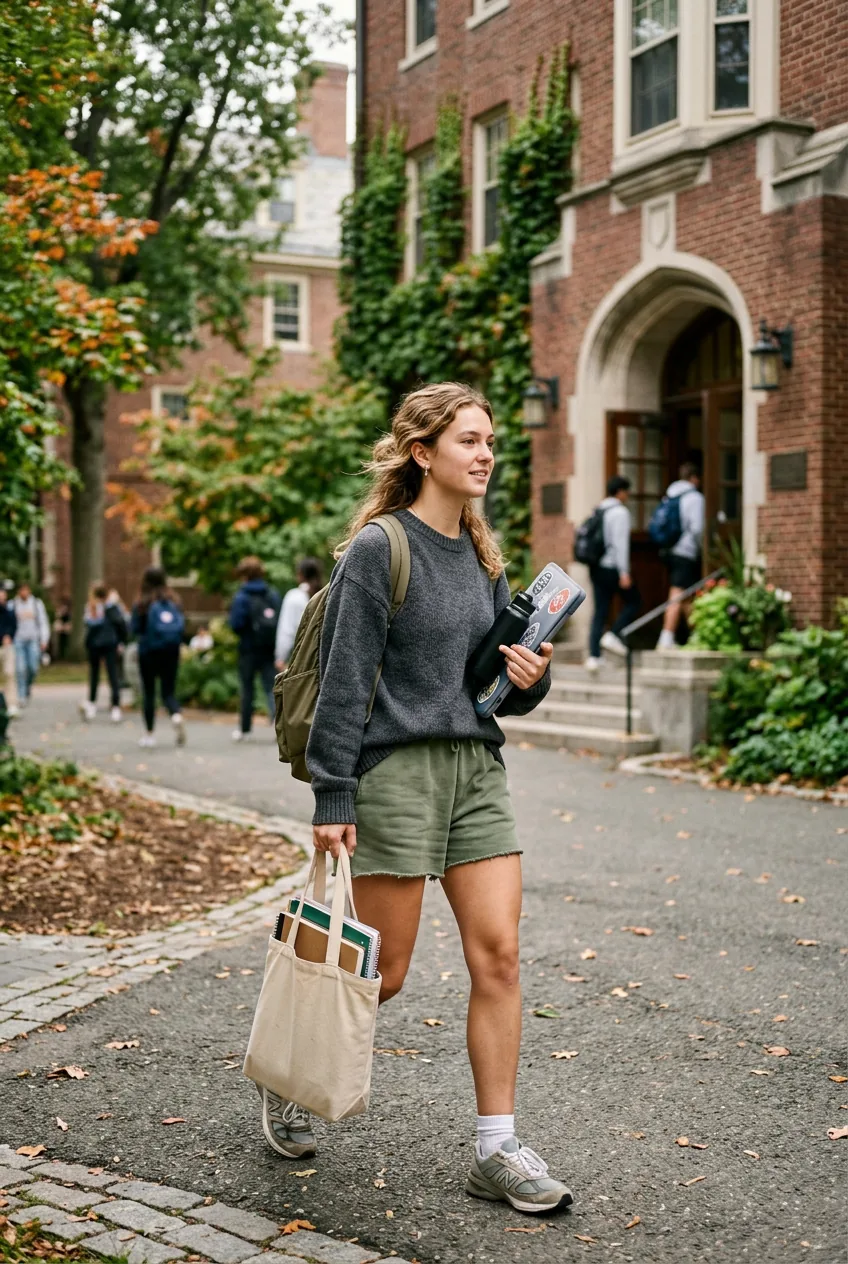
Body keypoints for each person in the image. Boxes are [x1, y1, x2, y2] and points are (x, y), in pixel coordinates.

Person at [258, 381, 573, 1216]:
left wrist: (526, 681)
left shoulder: (482, 555)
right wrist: (333, 794)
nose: (485, 455)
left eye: (492, 442)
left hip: (476, 772)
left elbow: (483, 689)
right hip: (392, 775)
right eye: (469, 440)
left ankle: (496, 1147)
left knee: (499, 956)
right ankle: (291, 1080)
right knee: (381, 973)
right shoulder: (378, 549)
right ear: (422, 452)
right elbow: (343, 681)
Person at [585, 475, 640, 672]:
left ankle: (593, 656)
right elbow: (620, 544)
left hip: (596, 567)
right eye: (627, 491)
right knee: (634, 601)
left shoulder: (599, 509)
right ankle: (614, 635)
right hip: (611, 567)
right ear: (621, 491)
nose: (628, 495)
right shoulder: (620, 512)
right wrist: (624, 572)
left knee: (600, 610)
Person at [130, 566, 187, 748]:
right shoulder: (174, 600)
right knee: (168, 691)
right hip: (171, 651)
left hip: (148, 652)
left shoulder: (142, 602)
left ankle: (149, 735)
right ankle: (176, 715)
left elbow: (134, 629)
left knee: (149, 692)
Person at [229, 557, 281, 742]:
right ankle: (279, 725)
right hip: (268, 649)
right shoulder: (271, 594)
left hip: (248, 649)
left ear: (244, 575)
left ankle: (245, 731)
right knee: (271, 688)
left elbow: (236, 624)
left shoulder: (242, 596)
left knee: (247, 689)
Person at [656, 462, 705, 649]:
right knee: (677, 593)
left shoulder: (670, 495)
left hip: (669, 550)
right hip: (686, 551)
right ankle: (666, 637)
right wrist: (703, 549)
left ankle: (698, 635)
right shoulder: (695, 497)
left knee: (685, 594)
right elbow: (697, 528)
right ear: (694, 478)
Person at [80, 584, 127, 723]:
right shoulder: (111, 607)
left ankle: (92, 703)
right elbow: (121, 623)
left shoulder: (91, 608)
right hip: (110, 644)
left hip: (95, 644)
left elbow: (89, 624)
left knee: (94, 675)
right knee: (113, 675)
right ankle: (115, 706)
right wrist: (121, 641)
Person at [274, 559, 324, 670]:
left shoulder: (294, 596)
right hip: (323, 659)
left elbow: (287, 630)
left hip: (300, 660)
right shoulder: (325, 595)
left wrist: (281, 657)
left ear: (300, 574)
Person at [10, 582, 50, 706]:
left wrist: (44, 640)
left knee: (33, 667)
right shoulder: (13, 605)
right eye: (22, 590)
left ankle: (27, 686)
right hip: (18, 640)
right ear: (19, 592)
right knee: (20, 668)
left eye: (26, 590)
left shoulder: (36, 604)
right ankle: (21, 695)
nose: (24, 593)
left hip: (33, 639)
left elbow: (43, 622)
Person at [0, 588, 18, 717]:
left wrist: (9, 635)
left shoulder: (9, 612)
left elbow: (13, 626)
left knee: (9, 674)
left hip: (7, 647)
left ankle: (11, 704)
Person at [53, 596, 72, 661]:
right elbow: (57, 622)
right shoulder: (59, 613)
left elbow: (69, 624)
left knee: (66, 644)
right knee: (60, 645)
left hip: (66, 632)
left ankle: (66, 657)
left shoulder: (69, 614)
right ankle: (59, 657)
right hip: (60, 632)